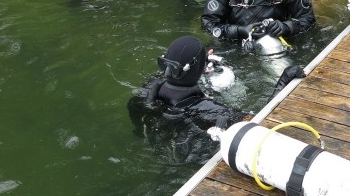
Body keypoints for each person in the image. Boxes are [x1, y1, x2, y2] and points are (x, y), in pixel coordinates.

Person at [127, 35, 306, 153]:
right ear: (200, 68)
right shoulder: (207, 109)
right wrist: (284, 81)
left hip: (159, 148)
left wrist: (199, 65)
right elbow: (261, 127)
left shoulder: (144, 94)